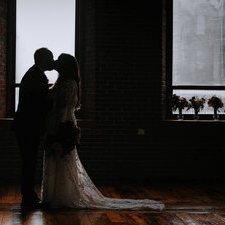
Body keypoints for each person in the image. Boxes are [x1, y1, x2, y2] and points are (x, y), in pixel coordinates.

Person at [40, 53, 165, 211]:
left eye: (59, 60)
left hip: (62, 125)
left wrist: (56, 129)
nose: (56, 62)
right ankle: (55, 196)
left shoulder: (68, 84)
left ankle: (61, 196)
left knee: (62, 160)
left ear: (64, 66)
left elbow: (63, 109)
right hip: (61, 124)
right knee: (59, 161)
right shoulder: (64, 82)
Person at [12, 47, 55, 208]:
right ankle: (28, 197)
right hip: (28, 126)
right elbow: (40, 102)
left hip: (26, 125)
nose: (53, 61)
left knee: (29, 161)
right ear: (43, 60)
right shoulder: (35, 76)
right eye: (50, 58)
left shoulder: (34, 74)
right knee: (29, 162)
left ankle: (29, 196)